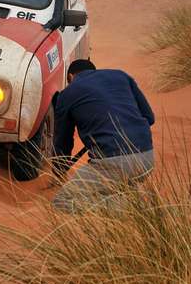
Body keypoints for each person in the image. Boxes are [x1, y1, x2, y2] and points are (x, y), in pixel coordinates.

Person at [51, 60, 155, 213]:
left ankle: (132, 208)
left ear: (70, 77)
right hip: (147, 159)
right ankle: (131, 203)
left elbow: (63, 140)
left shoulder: (68, 93)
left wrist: (59, 170)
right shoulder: (121, 76)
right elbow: (149, 118)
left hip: (113, 163)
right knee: (112, 189)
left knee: (61, 202)